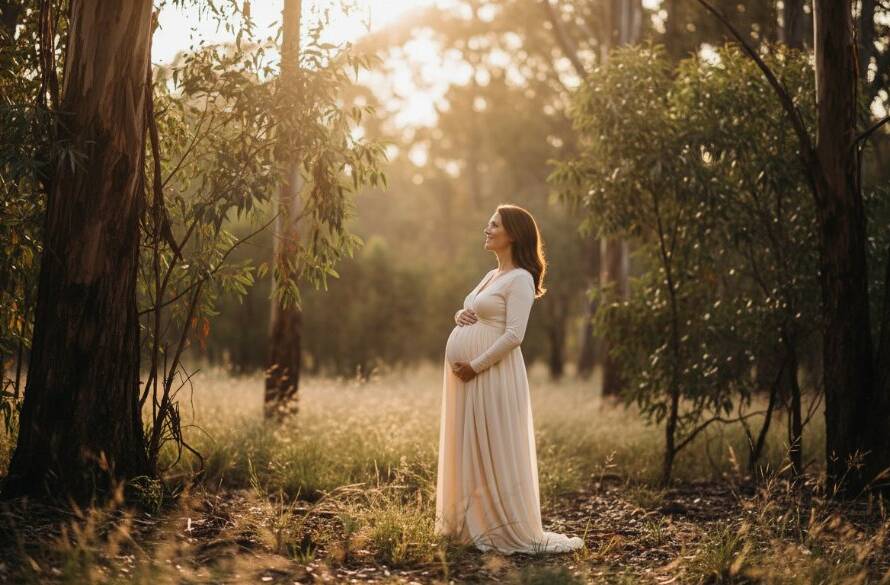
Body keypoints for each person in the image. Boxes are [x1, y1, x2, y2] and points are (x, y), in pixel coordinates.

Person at [435, 203, 585, 554]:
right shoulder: (492, 275)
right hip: (469, 376)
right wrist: (460, 313)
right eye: (488, 224)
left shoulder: (520, 278)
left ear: (513, 234)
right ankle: (468, 523)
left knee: (493, 444)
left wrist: (475, 365)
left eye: (494, 225)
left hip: (492, 374)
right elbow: (475, 308)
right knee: (469, 443)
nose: (486, 230)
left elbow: (515, 335)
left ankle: (500, 526)